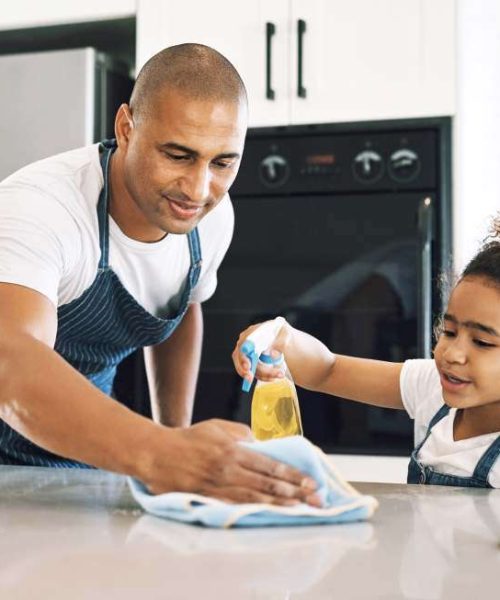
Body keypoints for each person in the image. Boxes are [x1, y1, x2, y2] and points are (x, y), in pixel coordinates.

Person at [0, 43, 320, 507]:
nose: (198, 188)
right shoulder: (40, 208)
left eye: (223, 162)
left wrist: (178, 437)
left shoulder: (212, 217)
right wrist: (161, 452)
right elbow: (11, 363)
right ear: (126, 127)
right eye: (177, 155)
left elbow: (181, 306)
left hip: (83, 459)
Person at [233, 222, 500, 488]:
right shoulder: (431, 384)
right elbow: (327, 370)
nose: (452, 354)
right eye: (449, 331)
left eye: (482, 342)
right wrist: (282, 336)